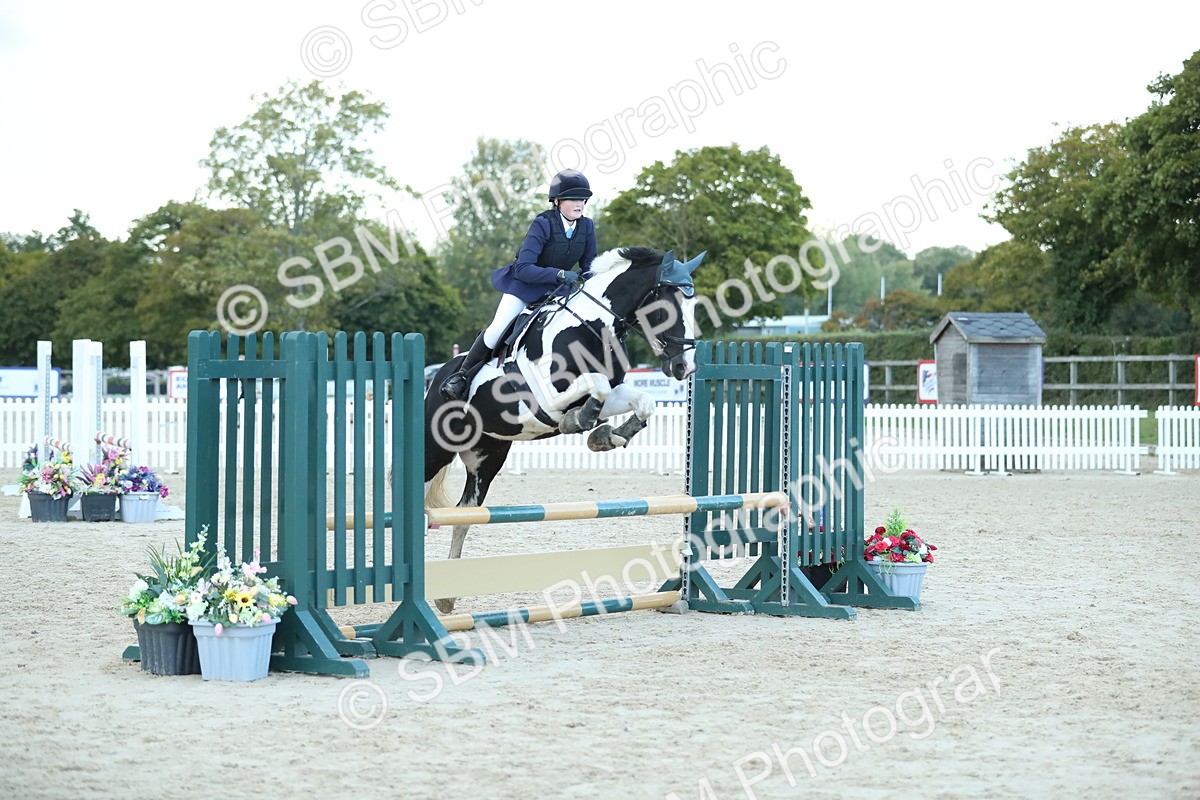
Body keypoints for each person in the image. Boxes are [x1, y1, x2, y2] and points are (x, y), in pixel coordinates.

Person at [440, 169, 598, 400]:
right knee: (496, 331)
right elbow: (524, 267)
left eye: (583, 199)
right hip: (525, 286)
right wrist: (560, 274)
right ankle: (462, 376)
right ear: (557, 201)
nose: (580, 204)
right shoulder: (543, 223)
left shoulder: (587, 226)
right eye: (574, 198)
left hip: (558, 291)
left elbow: (589, 266)